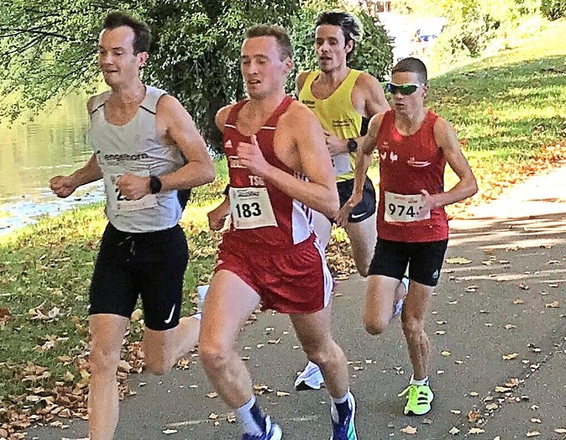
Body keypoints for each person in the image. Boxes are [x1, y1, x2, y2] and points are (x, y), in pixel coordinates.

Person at [49, 12, 215, 440]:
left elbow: (204, 168)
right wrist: (74, 179)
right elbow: (104, 159)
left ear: (140, 59)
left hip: (162, 246)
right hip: (117, 245)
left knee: (156, 361)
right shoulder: (96, 108)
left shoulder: (162, 108)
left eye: (118, 52)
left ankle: (203, 321)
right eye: (103, 52)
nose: (107, 60)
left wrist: (153, 183)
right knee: (102, 358)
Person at [198, 25, 357, 440]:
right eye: (246, 61)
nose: (252, 70)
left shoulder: (298, 122)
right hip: (243, 252)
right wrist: (225, 205)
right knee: (213, 350)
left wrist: (267, 169)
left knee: (320, 353)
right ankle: (258, 427)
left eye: (262, 61)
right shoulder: (227, 119)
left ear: (286, 67)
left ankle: (343, 408)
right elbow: (244, 182)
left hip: (294, 255)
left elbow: (327, 199)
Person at [345, 57, 478, 416]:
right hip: (390, 234)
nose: (399, 96)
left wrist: (435, 200)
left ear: (423, 90)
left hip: (428, 238)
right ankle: (398, 290)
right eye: (393, 89)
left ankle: (420, 384)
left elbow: (470, 184)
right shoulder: (380, 122)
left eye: (407, 89)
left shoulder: (438, 129)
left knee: (411, 323)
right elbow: (363, 152)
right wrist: (358, 193)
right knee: (373, 324)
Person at [294, 10, 406, 392]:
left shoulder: (363, 85)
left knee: (367, 266)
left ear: (348, 47)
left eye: (332, 42)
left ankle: (399, 286)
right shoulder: (303, 82)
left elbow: (392, 129)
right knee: (310, 262)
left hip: (351, 186)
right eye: (319, 42)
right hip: (314, 188)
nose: (323, 49)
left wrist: (346, 144)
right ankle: (318, 357)